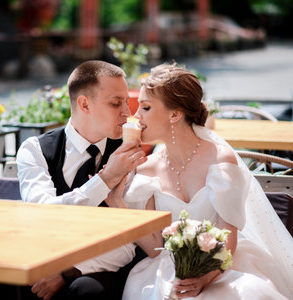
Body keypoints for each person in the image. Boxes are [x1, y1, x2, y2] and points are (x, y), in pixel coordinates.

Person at [100, 63, 293, 299]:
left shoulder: (220, 159)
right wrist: (117, 203)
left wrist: (205, 277)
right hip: (167, 268)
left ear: (175, 114)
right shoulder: (146, 167)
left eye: (146, 107)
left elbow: (228, 237)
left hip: (223, 263)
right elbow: (153, 247)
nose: (136, 116)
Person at [15, 60, 147, 300]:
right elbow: (42, 215)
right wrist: (105, 179)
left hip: (101, 266)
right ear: (84, 104)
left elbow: (129, 243)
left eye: (126, 102)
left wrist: (69, 271)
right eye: (116, 103)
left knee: (86, 290)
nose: (127, 113)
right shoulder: (35, 150)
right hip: (45, 254)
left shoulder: (128, 154)